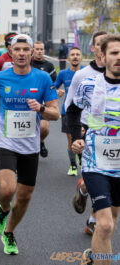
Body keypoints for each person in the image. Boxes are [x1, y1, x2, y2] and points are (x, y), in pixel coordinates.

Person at [0, 34, 59, 255]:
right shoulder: (0, 78)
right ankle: (4, 209)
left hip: (30, 146)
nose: (22, 53)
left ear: (32, 53)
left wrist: (41, 109)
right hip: (6, 141)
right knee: (7, 189)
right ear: (11, 53)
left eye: (26, 49)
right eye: (18, 50)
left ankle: (9, 232)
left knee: (24, 197)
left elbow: (55, 114)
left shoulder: (43, 79)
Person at [69, 35, 120, 264]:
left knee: (110, 222)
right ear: (102, 56)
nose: (119, 58)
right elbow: (71, 110)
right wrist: (76, 137)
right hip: (95, 162)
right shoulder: (89, 85)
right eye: (114, 53)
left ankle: (94, 256)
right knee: (106, 224)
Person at [65, 31, 107, 236]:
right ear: (94, 49)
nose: (104, 49)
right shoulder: (82, 76)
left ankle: (92, 215)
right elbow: (70, 107)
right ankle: (86, 193)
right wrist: (78, 136)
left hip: (114, 135)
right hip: (89, 131)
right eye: (100, 45)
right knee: (99, 175)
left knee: (108, 178)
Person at [54, 46, 82, 175]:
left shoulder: (86, 72)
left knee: (84, 137)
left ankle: (82, 159)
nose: (75, 56)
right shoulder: (63, 73)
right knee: (71, 138)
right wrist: (56, 92)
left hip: (85, 111)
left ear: (81, 57)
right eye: (73, 55)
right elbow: (51, 88)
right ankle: (73, 165)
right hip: (68, 111)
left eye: (77, 54)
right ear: (69, 58)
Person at [31, 41, 57, 158]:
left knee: (44, 128)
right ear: (33, 50)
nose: (39, 51)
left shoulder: (49, 66)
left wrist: (55, 92)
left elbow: (53, 85)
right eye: (37, 49)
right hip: (27, 100)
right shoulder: (27, 63)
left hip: (42, 101)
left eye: (41, 49)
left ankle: (40, 141)